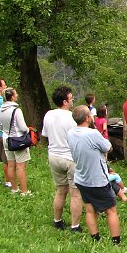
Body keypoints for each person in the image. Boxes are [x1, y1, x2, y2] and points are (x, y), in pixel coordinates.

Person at [67, 105, 127, 243]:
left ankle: (95, 238)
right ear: (88, 118)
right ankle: (116, 241)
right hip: (97, 179)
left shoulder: (71, 133)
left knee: (89, 209)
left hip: (81, 178)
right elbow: (108, 147)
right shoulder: (92, 134)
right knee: (111, 210)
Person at [42, 85, 83, 232]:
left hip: (54, 155)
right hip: (70, 157)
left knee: (60, 190)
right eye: (71, 99)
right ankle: (75, 225)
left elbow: (45, 135)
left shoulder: (48, 115)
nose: (72, 101)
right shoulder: (71, 118)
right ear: (65, 101)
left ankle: (57, 220)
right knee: (75, 193)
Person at [0, 87, 31, 196]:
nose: (17, 95)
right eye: (15, 93)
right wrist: (28, 130)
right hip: (18, 140)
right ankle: (24, 191)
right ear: (12, 96)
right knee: (21, 166)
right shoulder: (16, 110)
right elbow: (22, 127)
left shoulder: (0, 109)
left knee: (11, 165)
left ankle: (14, 188)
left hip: (6, 139)